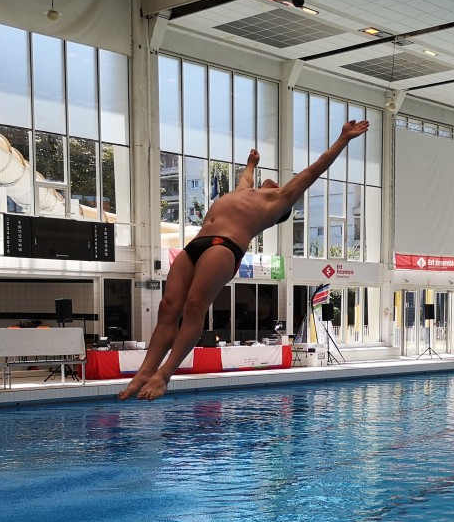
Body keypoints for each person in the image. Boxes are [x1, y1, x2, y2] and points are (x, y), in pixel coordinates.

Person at [119, 118, 370, 401]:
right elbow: (245, 180)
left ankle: (164, 375)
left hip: (223, 247)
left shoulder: (279, 198)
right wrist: (250, 164)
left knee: (193, 306)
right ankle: (144, 372)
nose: (271, 180)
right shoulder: (245, 192)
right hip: (195, 246)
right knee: (167, 308)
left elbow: (315, 170)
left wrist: (343, 139)